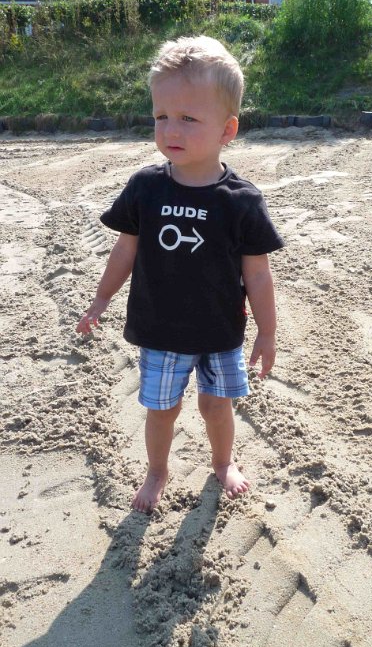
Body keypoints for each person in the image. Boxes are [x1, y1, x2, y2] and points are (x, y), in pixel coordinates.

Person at [76, 35, 284, 513]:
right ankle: (157, 471)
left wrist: (267, 332)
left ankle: (223, 462)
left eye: (189, 118)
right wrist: (102, 299)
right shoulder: (145, 187)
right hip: (160, 328)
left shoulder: (242, 201)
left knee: (216, 405)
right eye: (161, 116)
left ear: (227, 129)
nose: (171, 128)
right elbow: (125, 249)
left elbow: (258, 276)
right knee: (162, 408)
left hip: (220, 332)